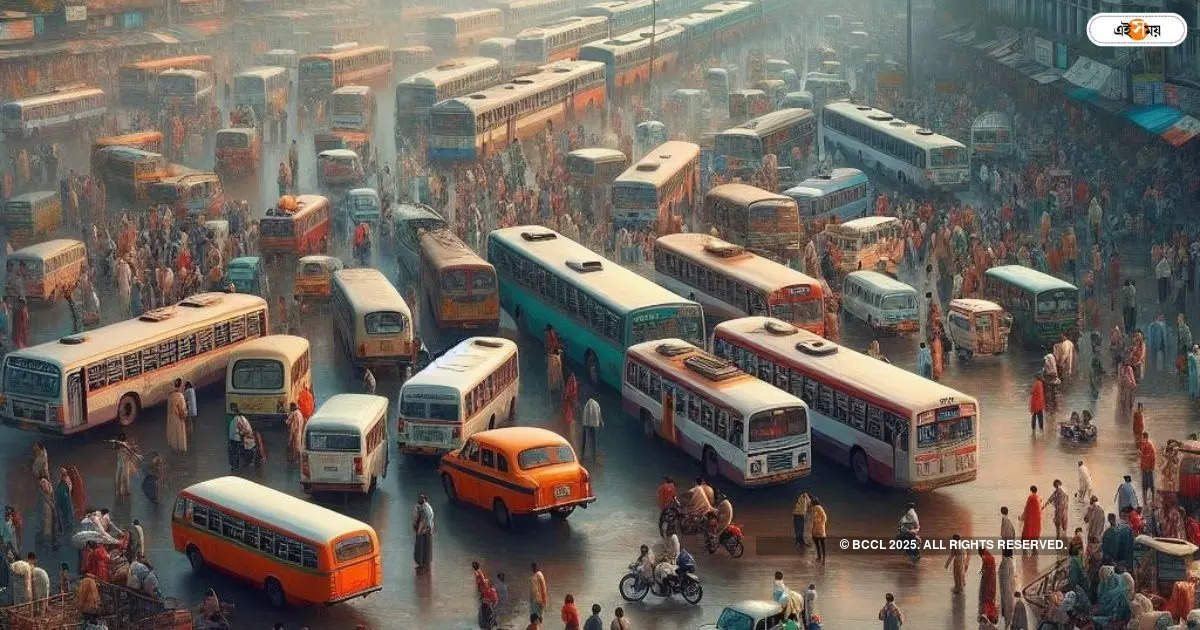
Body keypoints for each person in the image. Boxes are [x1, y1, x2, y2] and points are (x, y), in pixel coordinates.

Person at [166, 379, 188, 453]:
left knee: (173, 437)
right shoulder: (180, 396)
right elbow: (181, 410)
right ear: (180, 385)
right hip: (178, 419)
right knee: (179, 437)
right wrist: (185, 417)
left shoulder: (170, 396)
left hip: (171, 419)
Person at [412, 494, 433, 570]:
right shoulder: (429, 507)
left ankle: (421, 565)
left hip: (423, 531)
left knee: (420, 548)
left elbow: (423, 520)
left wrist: (419, 531)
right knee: (427, 547)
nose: (419, 499)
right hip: (428, 530)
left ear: (424, 499)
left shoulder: (423, 508)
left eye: (421, 498)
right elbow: (430, 520)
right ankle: (426, 564)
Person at [978, 548, 997, 621]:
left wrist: (980, 575)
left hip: (988, 579)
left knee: (987, 596)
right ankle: (992, 614)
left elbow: (984, 569)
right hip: (993, 578)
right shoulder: (990, 556)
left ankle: (989, 614)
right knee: (991, 596)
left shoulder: (985, 558)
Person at [998, 549, 1014, 626]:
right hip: (1007, 587)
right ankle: (1007, 622)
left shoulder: (1005, 563)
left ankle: (1007, 622)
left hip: (1005, 587)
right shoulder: (1009, 562)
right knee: (1007, 605)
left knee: (1006, 605)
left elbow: (1004, 577)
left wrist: (980, 574)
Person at [228, 405, 246, 469]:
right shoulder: (238, 418)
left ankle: (235, 465)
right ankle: (235, 465)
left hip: (234, 438)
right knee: (235, 452)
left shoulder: (236, 419)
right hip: (235, 438)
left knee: (234, 452)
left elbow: (237, 430)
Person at [1139, 432, 1157, 499]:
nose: (1141, 439)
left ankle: (1151, 500)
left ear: (1145, 438)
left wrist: (1141, 454)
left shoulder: (1148, 445)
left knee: (1150, 485)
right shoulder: (1144, 444)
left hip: (1148, 468)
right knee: (1145, 485)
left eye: (1142, 438)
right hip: (1145, 468)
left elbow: (1150, 457)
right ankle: (1146, 501)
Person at [810, 497, 827, 563]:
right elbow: (823, 517)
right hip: (818, 529)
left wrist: (818, 522)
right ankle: (821, 557)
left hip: (819, 529)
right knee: (820, 544)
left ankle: (821, 557)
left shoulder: (817, 507)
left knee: (820, 544)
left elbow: (824, 517)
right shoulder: (818, 507)